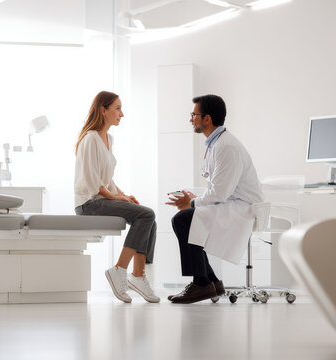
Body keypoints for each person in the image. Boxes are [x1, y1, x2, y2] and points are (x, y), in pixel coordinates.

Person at [165, 94, 264, 304]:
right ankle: (212, 281)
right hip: (230, 204)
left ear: (207, 119)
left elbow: (220, 193)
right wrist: (194, 200)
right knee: (187, 218)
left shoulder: (226, 146)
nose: (191, 119)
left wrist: (192, 203)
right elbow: (218, 188)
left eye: (194, 115)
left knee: (183, 219)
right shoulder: (215, 143)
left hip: (242, 209)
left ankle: (202, 284)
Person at [74, 91, 159, 303]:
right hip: (89, 204)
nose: (122, 114)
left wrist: (123, 195)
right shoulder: (91, 138)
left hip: (102, 199)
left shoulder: (108, 139)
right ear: (103, 110)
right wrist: (115, 198)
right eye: (117, 108)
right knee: (146, 215)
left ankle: (138, 277)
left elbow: (107, 179)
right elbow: (91, 181)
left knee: (150, 219)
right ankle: (120, 270)